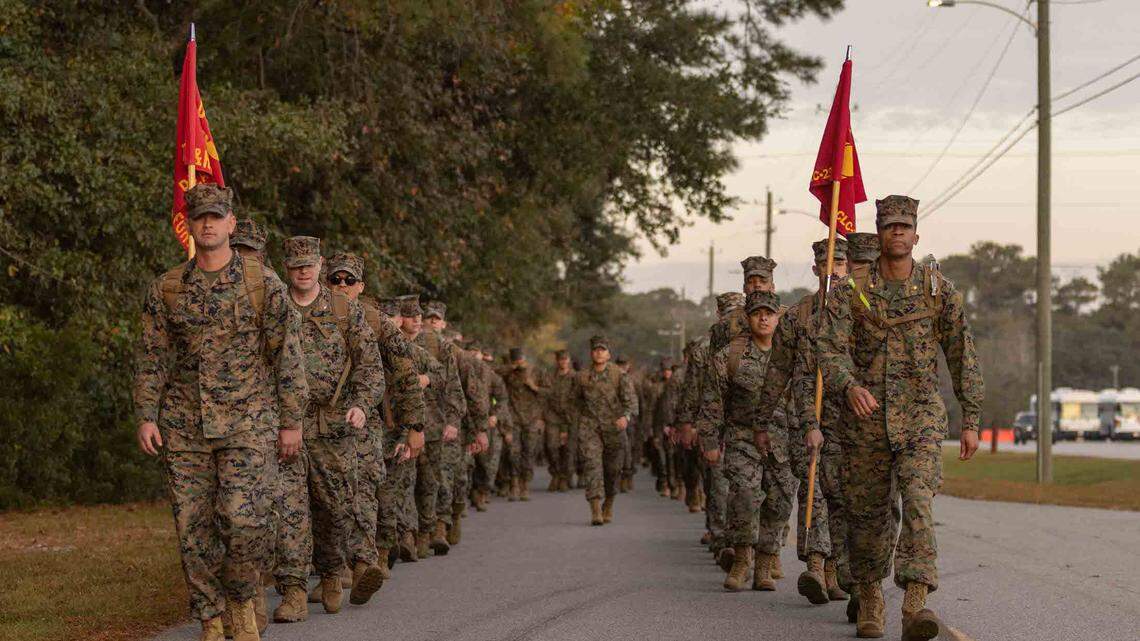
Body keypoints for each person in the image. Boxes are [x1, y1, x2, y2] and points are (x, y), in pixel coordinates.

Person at [134, 183, 307, 641]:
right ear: (188, 225)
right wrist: (146, 414)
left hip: (249, 422)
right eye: (200, 218)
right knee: (192, 527)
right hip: (184, 425)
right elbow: (152, 356)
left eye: (216, 217)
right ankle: (210, 618)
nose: (208, 224)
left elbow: (287, 355)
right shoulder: (168, 288)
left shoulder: (261, 283)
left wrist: (292, 421)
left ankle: (242, 600)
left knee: (244, 518)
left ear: (231, 223)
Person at [817, 195, 983, 639]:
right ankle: (870, 596)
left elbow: (961, 352)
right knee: (867, 515)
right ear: (879, 231)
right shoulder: (852, 290)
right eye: (889, 225)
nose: (897, 232)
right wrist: (848, 385)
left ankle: (915, 603)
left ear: (916, 234)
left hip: (920, 418)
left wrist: (971, 417)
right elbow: (829, 349)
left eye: (904, 226)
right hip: (865, 421)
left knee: (919, 501)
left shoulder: (936, 289)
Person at [272, 237, 384, 621]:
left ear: (320, 264)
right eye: (296, 264)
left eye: (310, 264)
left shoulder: (343, 310)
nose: (304, 270)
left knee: (334, 509)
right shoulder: (275, 306)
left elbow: (370, 365)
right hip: (285, 424)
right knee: (289, 509)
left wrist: (362, 405)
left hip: (334, 425)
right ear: (286, 266)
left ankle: (333, 572)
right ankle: (293, 592)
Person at [324, 252, 425, 598]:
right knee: (326, 500)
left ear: (360, 286)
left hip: (363, 424)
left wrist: (415, 427)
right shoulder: (306, 315)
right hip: (317, 425)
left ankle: (364, 564)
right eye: (335, 279)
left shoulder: (376, 321)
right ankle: (331, 571)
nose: (341, 286)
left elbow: (407, 374)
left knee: (363, 491)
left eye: (348, 281)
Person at [697, 290, 790, 592]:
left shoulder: (792, 355)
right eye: (757, 313)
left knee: (778, 503)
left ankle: (765, 563)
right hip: (742, 438)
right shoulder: (730, 355)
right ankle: (741, 560)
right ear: (748, 318)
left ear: (778, 317)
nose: (763, 318)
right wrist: (710, 441)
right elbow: (712, 401)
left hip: (783, 442)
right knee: (745, 498)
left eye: (769, 313)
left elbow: (806, 397)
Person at [420, 300, 472, 553]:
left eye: (436, 319)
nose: (432, 322)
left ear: (443, 323)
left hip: (448, 422)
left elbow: (466, 392)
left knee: (450, 477)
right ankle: (428, 529)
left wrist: (469, 426)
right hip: (421, 423)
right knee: (426, 478)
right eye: (428, 317)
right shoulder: (413, 345)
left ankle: (446, 521)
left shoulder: (454, 353)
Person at [573, 335, 636, 525]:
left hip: (613, 429)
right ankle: (595, 510)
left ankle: (608, 503)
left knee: (612, 471)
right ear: (591, 353)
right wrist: (576, 422)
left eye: (603, 350)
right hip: (589, 428)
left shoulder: (619, 375)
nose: (599, 353)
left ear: (609, 354)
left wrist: (625, 417)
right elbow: (574, 402)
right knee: (592, 467)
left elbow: (630, 401)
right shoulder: (582, 377)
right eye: (596, 350)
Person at [503, 348, 546, 500]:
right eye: (515, 361)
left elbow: (549, 393)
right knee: (513, 453)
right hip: (513, 418)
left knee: (529, 452)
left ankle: (525, 485)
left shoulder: (536, 372)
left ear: (525, 359)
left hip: (532, 419)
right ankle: (514, 484)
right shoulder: (508, 372)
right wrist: (511, 368)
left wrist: (534, 386)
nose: (519, 363)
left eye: (520, 360)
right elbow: (494, 374)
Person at [542, 349, 578, 491]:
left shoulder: (575, 377)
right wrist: (542, 416)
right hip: (553, 416)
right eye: (560, 359)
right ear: (557, 361)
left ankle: (564, 477)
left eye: (565, 359)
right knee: (551, 446)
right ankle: (555, 474)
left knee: (569, 450)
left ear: (569, 360)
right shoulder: (550, 376)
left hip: (571, 417)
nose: (563, 361)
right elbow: (544, 395)